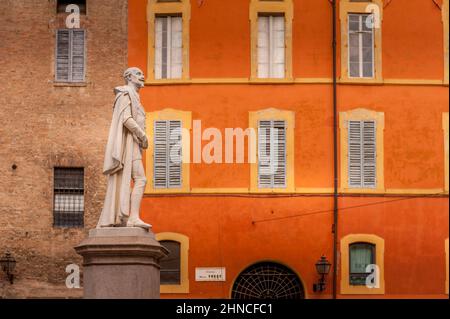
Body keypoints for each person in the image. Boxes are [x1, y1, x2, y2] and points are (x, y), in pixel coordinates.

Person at [97, 67, 151, 230]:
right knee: (140, 179)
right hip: (128, 145)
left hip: (133, 144)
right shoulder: (125, 93)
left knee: (137, 180)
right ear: (129, 77)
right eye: (139, 74)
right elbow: (126, 118)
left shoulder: (134, 96)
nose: (143, 77)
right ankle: (133, 217)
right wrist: (143, 135)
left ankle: (131, 217)